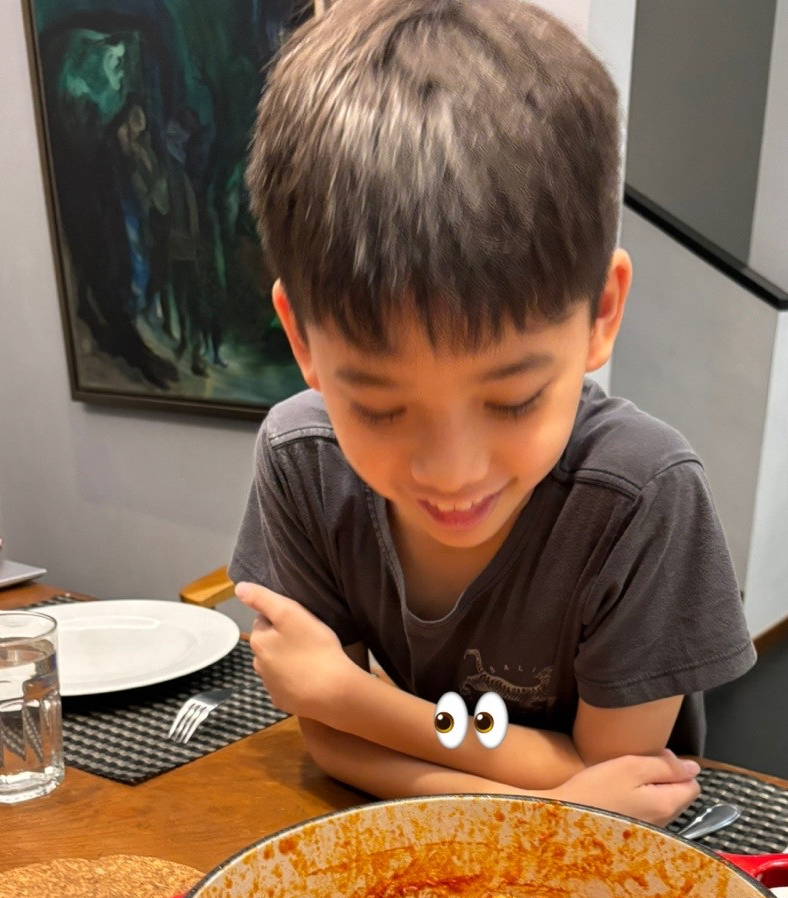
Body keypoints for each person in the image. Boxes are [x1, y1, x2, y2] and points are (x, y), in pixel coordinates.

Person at [229, 0, 755, 825]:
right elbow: (327, 746)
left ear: (601, 313)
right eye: (377, 405)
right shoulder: (302, 458)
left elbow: (624, 782)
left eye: (513, 399)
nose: (452, 470)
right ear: (300, 336)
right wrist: (535, 800)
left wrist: (353, 697)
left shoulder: (642, 496)